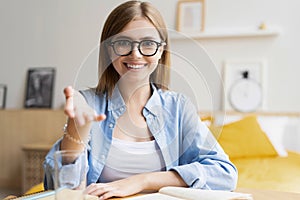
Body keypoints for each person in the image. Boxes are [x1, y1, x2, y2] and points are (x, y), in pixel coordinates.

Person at [44, 1, 238, 199]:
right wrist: (76, 132)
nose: (135, 54)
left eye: (147, 43)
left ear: (161, 50)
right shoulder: (88, 105)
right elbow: (60, 189)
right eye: (123, 43)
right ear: (109, 49)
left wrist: (142, 180)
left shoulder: (178, 107)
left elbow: (224, 173)